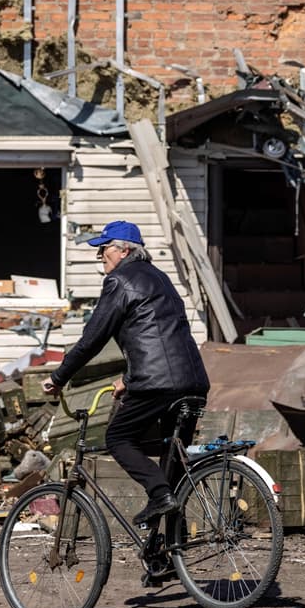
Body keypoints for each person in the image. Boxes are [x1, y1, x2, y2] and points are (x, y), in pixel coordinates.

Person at [41, 220, 210, 527]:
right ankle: (169, 557)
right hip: (193, 381)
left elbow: (92, 339)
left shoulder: (120, 280)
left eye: (102, 250)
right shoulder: (160, 278)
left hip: (160, 384)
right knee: (172, 467)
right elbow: (158, 336)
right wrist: (128, 379)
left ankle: (158, 496)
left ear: (122, 250)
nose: (100, 257)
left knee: (118, 438)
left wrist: (58, 377)